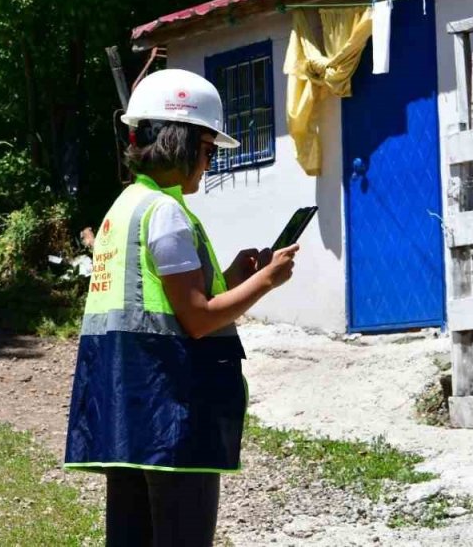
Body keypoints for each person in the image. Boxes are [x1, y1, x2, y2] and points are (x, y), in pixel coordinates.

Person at [64, 68, 299, 546]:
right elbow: (197, 317)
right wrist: (265, 282)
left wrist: (233, 278)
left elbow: (163, 299)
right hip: (170, 405)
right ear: (180, 141)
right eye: (208, 150)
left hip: (126, 405)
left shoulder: (126, 207)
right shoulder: (166, 214)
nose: (209, 163)